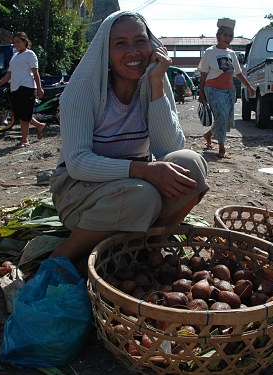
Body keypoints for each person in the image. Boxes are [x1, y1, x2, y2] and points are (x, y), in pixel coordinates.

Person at [47, 11, 209, 264]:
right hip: (80, 192)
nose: (133, 51)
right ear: (106, 52)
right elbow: (77, 163)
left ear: (152, 46)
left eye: (140, 41)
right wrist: (144, 170)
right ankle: (67, 253)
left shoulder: (154, 82)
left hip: (135, 189)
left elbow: (171, 148)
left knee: (191, 165)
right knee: (142, 195)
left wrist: (156, 84)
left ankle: (151, 244)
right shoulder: (81, 91)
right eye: (121, 44)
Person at [197, 18, 255, 158]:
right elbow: (203, 74)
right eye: (225, 35)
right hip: (213, 91)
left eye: (230, 36)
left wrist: (249, 86)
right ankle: (221, 149)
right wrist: (201, 93)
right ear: (218, 36)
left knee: (225, 118)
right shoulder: (210, 53)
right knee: (221, 116)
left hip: (229, 91)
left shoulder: (231, 53)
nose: (228, 38)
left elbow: (238, 73)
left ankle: (208, 135)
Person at [0, 32, 46, 147]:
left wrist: (39, 88)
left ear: (25, 42)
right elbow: (9, 74)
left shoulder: (30, 54)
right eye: (14, 42)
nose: (16, 44)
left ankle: (25, 140)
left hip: (27, 87)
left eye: (18, 42)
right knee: (21, 114)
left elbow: (36, 73)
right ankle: (40, 126)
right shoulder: (15, 57)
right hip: (15, 88)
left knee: (24, 115)